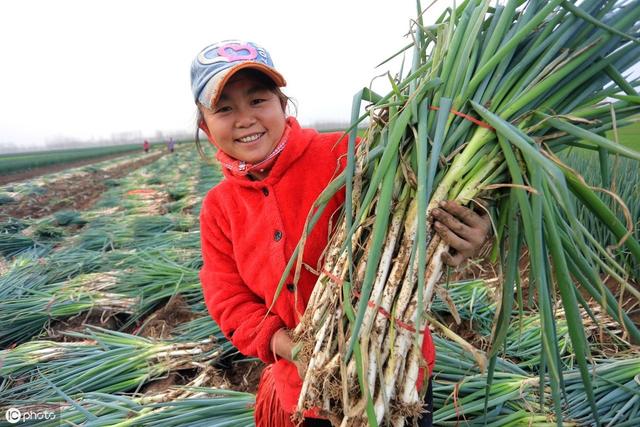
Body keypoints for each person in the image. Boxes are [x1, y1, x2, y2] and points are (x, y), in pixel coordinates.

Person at [192, 40, 491, 427]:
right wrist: (288, 346)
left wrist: (469, 231)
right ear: (205, 125)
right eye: (224, 108)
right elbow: (228, 300)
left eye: (258, 100)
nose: (245, 118)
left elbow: (419, 221)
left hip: (398, 375)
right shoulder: (218, 208)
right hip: (309, 391)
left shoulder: (350, 154)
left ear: (283, 105)